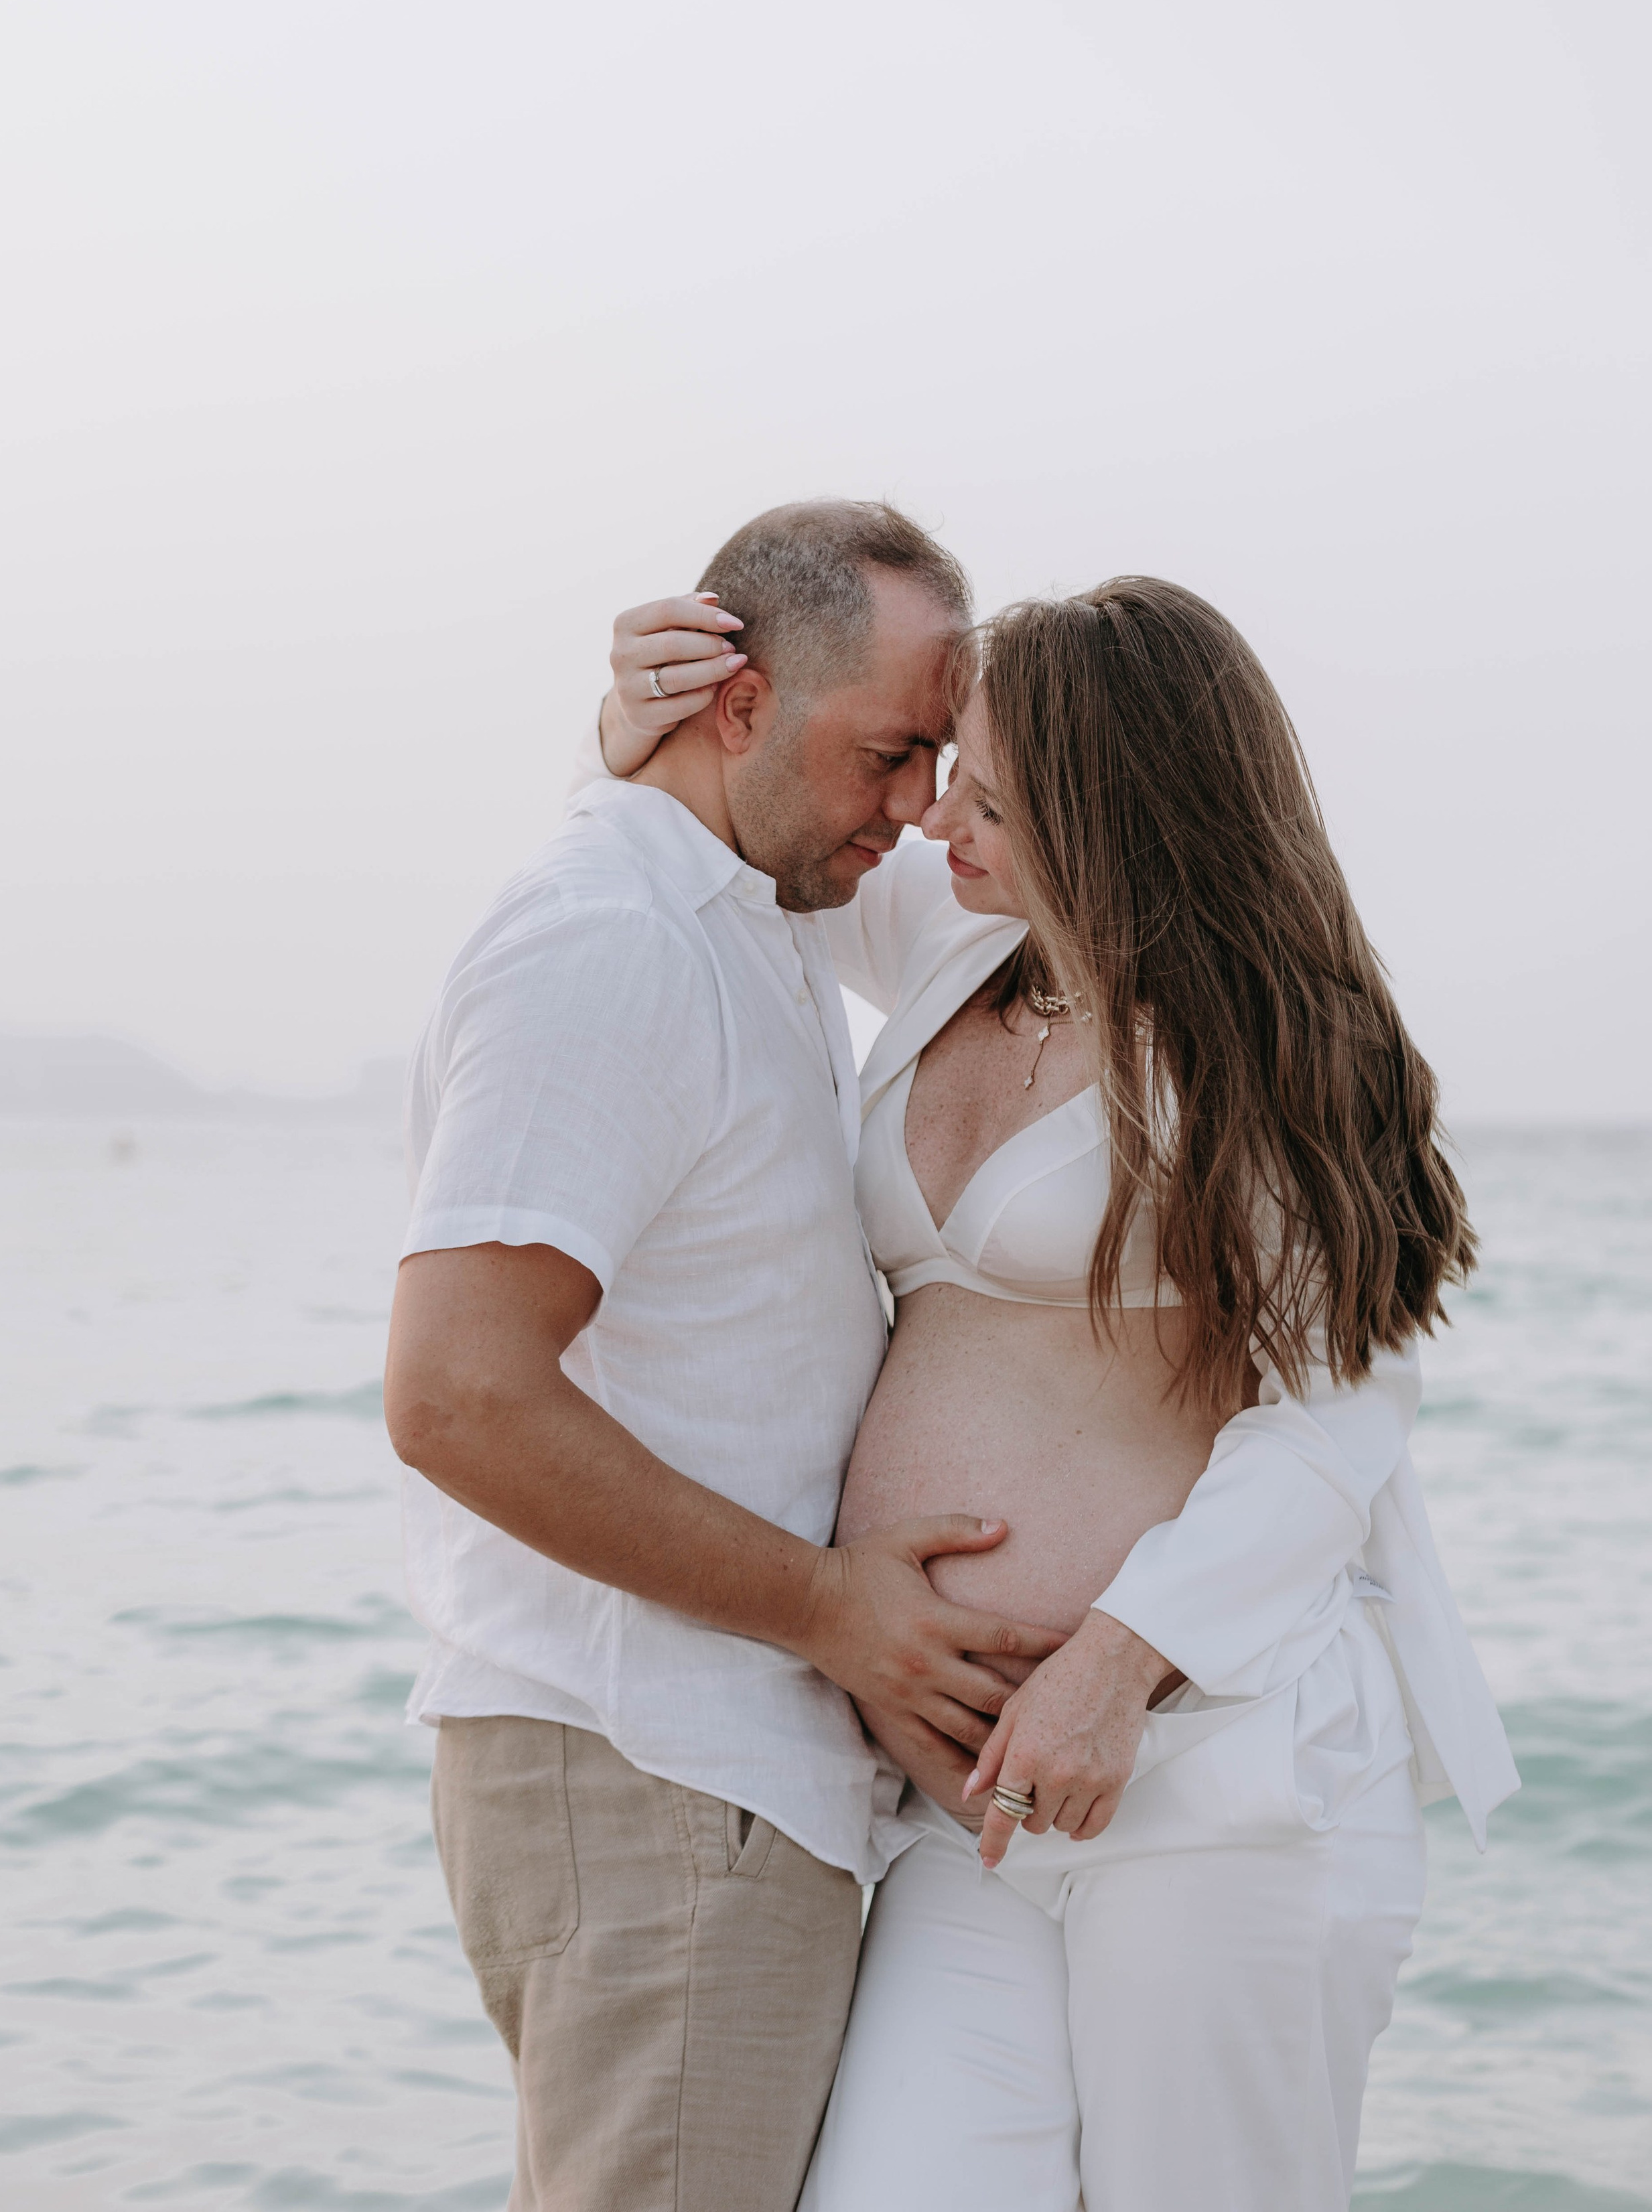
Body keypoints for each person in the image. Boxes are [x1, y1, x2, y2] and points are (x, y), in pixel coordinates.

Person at [598, 569, 1518, 2212]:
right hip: (966, 1810)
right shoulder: (964, 935)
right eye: (946, 763)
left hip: (1217, 1778)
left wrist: (1113, 1661)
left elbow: (1340, 1419)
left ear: (1116, 818)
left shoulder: (1276, 1049)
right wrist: (639, 730)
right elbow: (780, 843)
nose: (938, 810)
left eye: (992, 795)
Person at [383, 502, 1073, 2212]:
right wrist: (836, 1610)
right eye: (887, 755)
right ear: (740, 706)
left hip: (705, 1781)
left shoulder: (740, 912)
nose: (914, 811)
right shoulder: (611, 942)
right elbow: (457, 1393)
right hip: (652, 1770)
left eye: (937, 763)